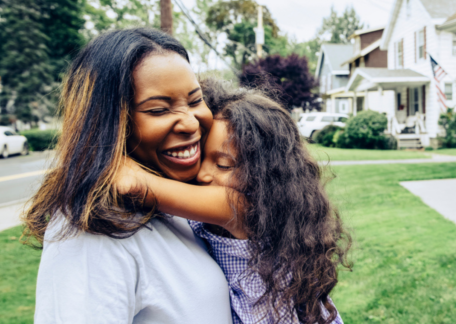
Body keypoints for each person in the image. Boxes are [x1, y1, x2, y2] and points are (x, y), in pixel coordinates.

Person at [23, 28, 233, 324]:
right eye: (159, 109)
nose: (190, 122)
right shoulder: (92, 230)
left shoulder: (178, 198)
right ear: (110, 123)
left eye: (195, 100)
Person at [118, 78, 351, 324]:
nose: (203, 174)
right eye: (201, 156)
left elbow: (132, 183)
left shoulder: (240, 208)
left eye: (223, 164)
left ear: (264, 178)